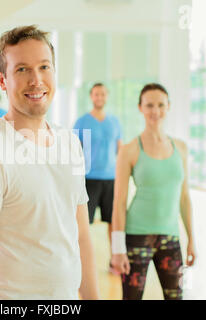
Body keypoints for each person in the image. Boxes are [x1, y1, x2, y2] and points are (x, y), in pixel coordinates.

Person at [0, 25, 99, 300]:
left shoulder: (71, 143)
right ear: (2, 79)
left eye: (44, 67)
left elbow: (81, 237)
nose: (36, 79)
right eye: (22, 69)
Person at [111, 83, 196, 300]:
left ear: (168, 107)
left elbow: (184, 198)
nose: (155, 111)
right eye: (149, 105)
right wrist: (118, 248)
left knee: (175, 296)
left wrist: (191, 240)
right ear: (140, 108)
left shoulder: (181, 148)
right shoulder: (129, 150)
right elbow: (119, 202)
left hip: (171, 236)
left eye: (160, 105)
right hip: (136, 235)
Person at [73, 83, 123, 271]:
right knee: (84, 223)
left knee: (113, 222)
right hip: (89, 178)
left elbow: (121, 149)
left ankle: (115, 261)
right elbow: (73, 149)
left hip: (111, 178)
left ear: (107, 96)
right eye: (96, 94)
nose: (99, 97)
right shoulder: (82, 122)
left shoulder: (115, 122)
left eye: (102, 94)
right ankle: (81, 263)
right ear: (91, 97)